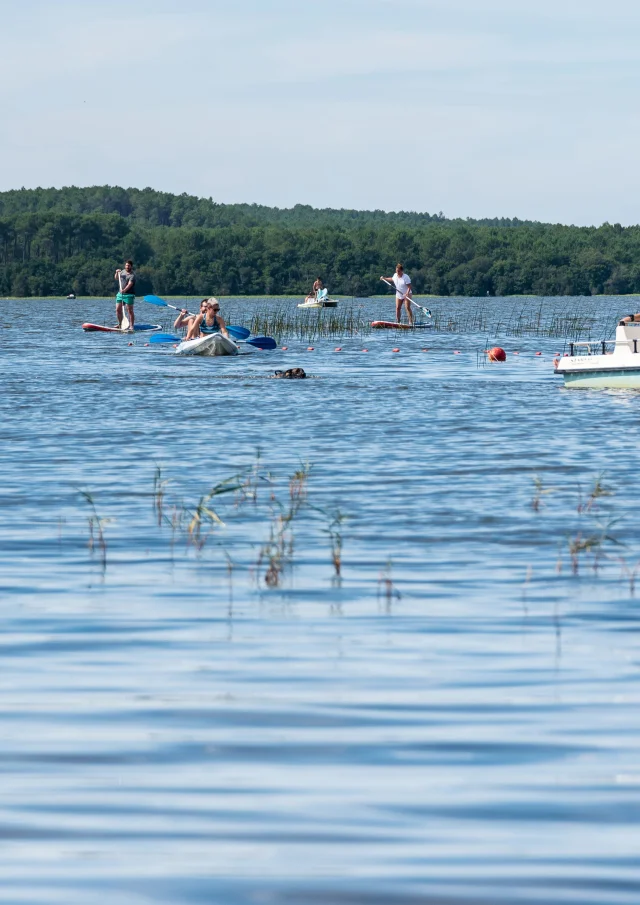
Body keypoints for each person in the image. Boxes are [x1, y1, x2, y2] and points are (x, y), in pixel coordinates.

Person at [114, 260, 136, 330]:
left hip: (129, 295)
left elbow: (130, 284)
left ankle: (131, 325)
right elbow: (116, 278)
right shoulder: (122, 272)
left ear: (131, 266)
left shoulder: (132, 275)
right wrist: (117, 273)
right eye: (126, 265)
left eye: (128, 266)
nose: (127, 267)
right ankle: (120, 324)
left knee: (130, 311)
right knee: (118, 309)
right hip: (120, 294)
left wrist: (124, 290)